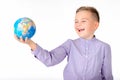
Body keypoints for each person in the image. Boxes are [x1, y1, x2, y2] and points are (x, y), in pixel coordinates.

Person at [14, 6, 113, 80]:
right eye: (76, 21)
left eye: (83, 21)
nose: (78, 24)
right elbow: (50, 60)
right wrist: (30, 43)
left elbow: (107, 76)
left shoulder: (104, 47)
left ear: (95, 25)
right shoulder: (70, 44)